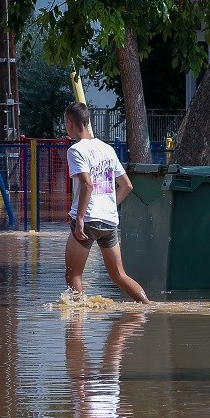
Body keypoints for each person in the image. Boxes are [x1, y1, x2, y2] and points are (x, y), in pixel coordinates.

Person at [63, 102, 150, 304]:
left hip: (88, 220)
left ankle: (76, 329)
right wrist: (110, 207)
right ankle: (148, 307)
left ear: (70, 123)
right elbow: (127, 185)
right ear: (88, 121)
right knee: (119, 276)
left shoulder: (75, 151)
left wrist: (81, 218)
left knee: (73, 276)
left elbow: (87, 184)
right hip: (109, 222)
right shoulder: (107, 149)